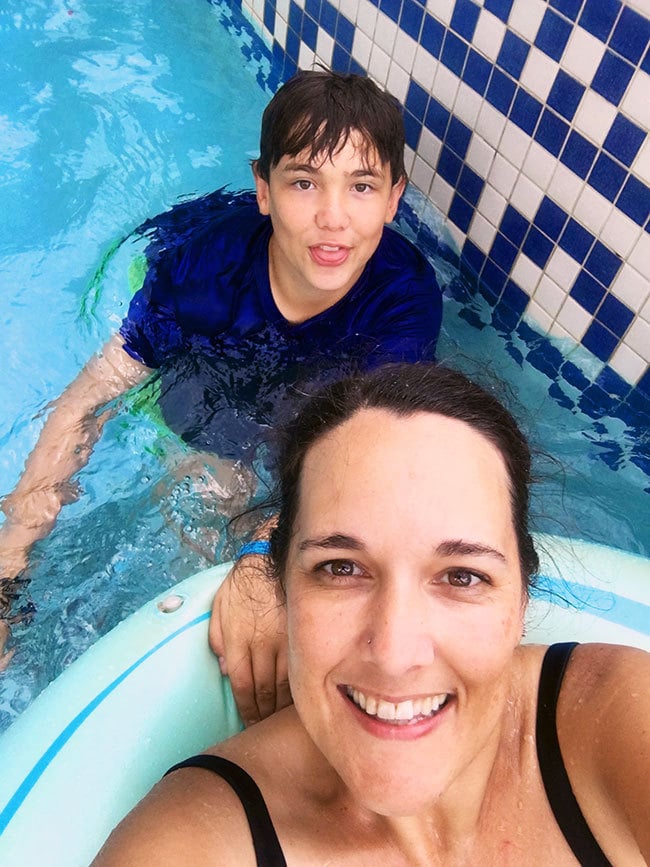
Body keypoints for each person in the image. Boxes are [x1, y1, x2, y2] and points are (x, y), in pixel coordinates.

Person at [93, 363, 649, 865]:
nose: (395, 652)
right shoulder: (194, 844)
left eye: (463, 576)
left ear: (522, 599)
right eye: (340, 568)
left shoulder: (617, 722)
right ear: (280, 588)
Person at [0, 69, 443, 666]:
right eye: (304, 183)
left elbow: (375, 449)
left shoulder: (404, 298)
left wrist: (261, 555)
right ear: (264, 190)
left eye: (361, 187)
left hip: (297, 359)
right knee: (213, 491)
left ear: (394, 198)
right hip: (204, 334)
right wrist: (10, 568)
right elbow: (88, 399)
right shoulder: (200, 275)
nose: (333, 217)